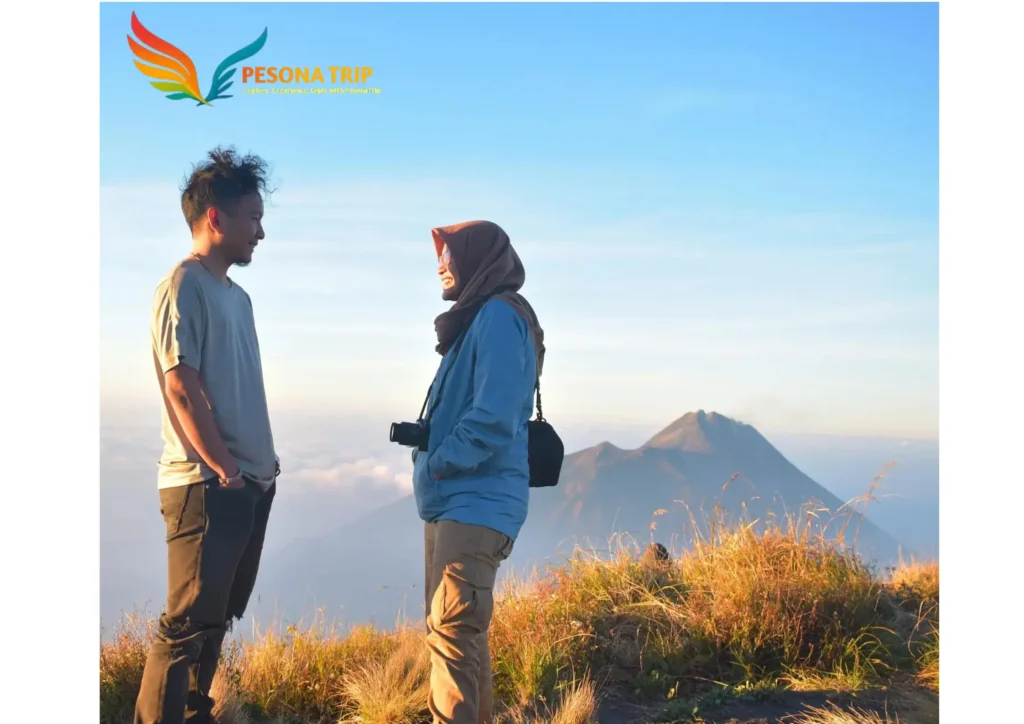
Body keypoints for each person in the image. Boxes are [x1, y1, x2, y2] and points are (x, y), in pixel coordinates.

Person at [134, 146, 280, 724]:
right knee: (186, 626)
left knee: (214, 620)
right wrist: (225, 470)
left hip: (244, 483)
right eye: (253, 218)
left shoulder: (239, 299)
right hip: (206, 483)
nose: (261, 233)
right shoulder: (183, 286)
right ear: (215, 218)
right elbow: (181, 387)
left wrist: (258, 473)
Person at [413, 220, 545, 724]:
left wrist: (438, 462)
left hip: (474, 501)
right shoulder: (478, 320)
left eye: (449, 255)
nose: (441, 266)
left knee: (452, 635)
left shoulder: (497, 317)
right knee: (458, 636)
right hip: (455, 501)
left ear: (479, 260)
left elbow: (494, 416)